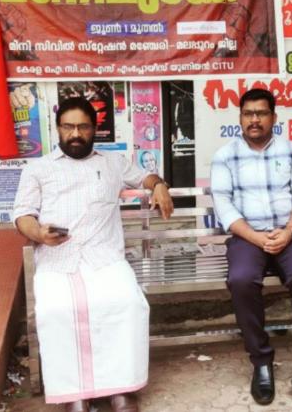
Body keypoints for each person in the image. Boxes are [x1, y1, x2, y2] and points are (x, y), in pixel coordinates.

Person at [12, 97, 174, 412]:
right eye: (68, 126)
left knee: (126, 303)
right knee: (56, 310)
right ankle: (74, 393)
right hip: (58, 259)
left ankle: (120, 389)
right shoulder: (38, 169)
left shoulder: (112, 162)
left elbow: (145, 177)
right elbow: (22, 216)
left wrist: (160, 186)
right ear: (58, 129)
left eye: (83, 127)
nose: (75, 133)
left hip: (104, 257)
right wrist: (39, 233)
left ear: (94, 130)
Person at [210, 88, 292, 405]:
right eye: (248, 114)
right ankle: (261, 361)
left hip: (291, 234)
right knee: (241, 280)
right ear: (240, 118)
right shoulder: (225, 156)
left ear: (274, 117)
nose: (254, 120)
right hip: (248, 236)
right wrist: (257, 238)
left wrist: (289, 231)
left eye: (261, 113)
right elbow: (225, 207)